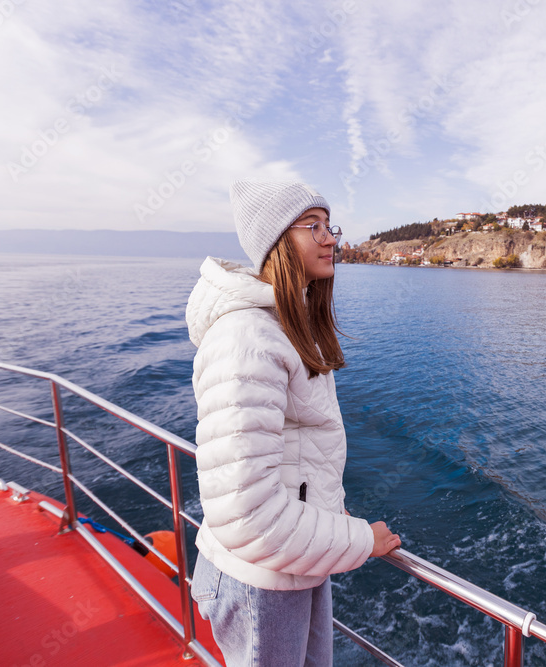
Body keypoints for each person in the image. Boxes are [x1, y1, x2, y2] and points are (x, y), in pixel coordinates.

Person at [185, 180, 401, 666]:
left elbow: (296, 456)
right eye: (314, 226)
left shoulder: (287, 323)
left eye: (330, 225)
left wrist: (329, 515)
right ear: (278, 241)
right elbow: (248, 514)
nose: (332, 239)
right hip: (258, 582)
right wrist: (361, 540)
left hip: (291, 566)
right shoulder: (246, 338)